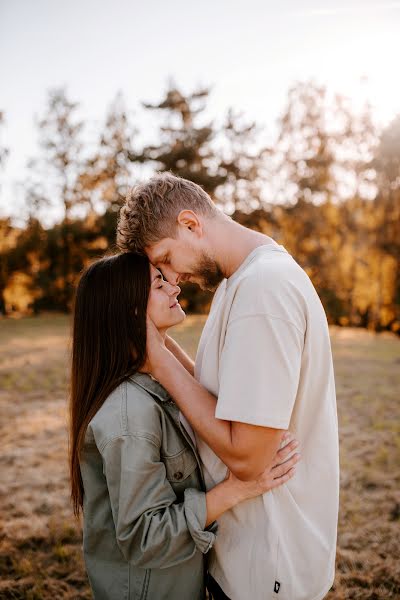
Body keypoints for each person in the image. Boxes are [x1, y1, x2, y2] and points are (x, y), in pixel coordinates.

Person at [116, 172, 340, 600]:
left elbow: (249, 459)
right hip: (248, 548)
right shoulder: (241, 282)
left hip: (268, 562)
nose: (172, 278)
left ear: (190, 223)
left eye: (165, 258)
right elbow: (220, 393)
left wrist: (159, 361)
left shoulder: (263, 291)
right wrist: (158, 344)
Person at [68, 252, 300, 600]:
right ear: (130, 310)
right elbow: (145, 537)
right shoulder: (130, 415)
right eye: (158, 282)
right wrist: (238, 488)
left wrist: (159, 345)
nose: (174, 286)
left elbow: (205, 399)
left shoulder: (156, 382)